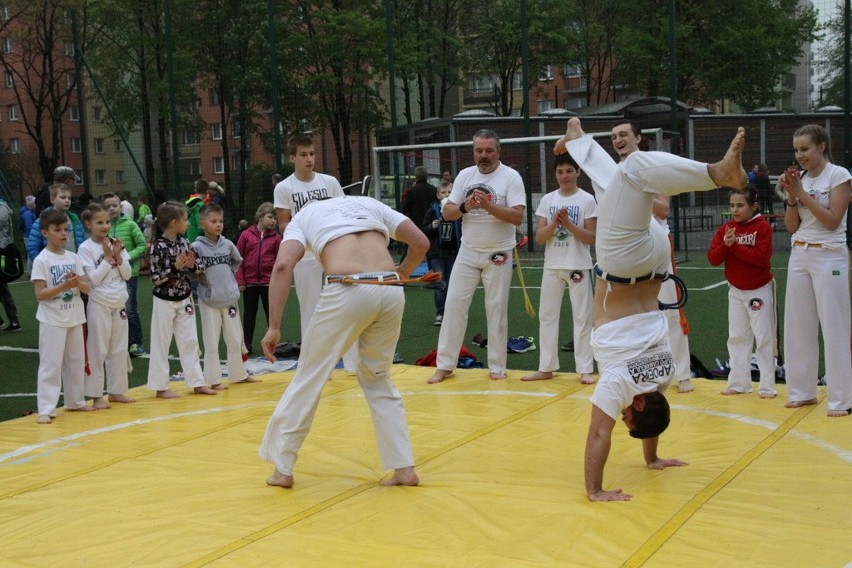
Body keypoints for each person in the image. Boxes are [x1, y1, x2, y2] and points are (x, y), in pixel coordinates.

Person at [554, 117, 748, 501]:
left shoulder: (662, 379)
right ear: (636, 403)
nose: (621, 416)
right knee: (631, 170)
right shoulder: (620, 385)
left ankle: (578, 140)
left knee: (619, 187)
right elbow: (598, 434)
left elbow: (654, 413)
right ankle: (717, 173)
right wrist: (595, 490)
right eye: (628, 416)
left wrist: (653, 457)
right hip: (622, 264)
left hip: (656, 259)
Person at [258, 195, 429, 488]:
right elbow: (422, 243)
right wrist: (403, 272)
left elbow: (283, 265)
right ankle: (404, 467)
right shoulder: (366, 202)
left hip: (348, 288)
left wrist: (273, 327)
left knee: (310, 376)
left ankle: (282, 468)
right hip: (389, 288)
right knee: (378, 378)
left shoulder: (304, 216)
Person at [427, 129, 526, 384]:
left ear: (498, 151)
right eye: (479, 150)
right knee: (454, 305)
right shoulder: (464, 175)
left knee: (496, 308)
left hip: (499, 252)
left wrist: (488, 206)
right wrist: (465, 206)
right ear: (473, 152)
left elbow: (517, 217)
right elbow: (448, 213)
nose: (484, 156)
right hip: (468, 251)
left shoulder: (510, 177)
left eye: (489, 150)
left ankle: (497, 367)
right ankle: (445, 364)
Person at [610, 121, 695, 393]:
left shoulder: (652, 167)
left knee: (669, 309)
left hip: (656, 248)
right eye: (613, 136)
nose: (618, 139)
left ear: (638, 137)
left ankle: (683, 374)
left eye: (623, 134)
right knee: (631, 316)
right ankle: (640, 373)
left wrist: (638, 193)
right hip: (627, 249)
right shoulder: (612, 172)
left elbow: (663, 209)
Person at [780, 124, 852, 417]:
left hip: (830, 256)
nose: (800, 156)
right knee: (798, 325)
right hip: (800, 253)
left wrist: (801, 193)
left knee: (834, 327)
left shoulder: (839, 175)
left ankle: (841, 399)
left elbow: (833, 220)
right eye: (797, 150)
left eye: (805, 149)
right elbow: (791, 226)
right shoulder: (801, 179)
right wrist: (792, 196)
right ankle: (802, 392)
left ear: (822, 146)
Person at [521, 152, 597, 384]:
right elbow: (541, 237)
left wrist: (569, 225)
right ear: (555, 174)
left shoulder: (587, 200)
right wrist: (556, 223)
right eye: (560, 172)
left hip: (578, 265)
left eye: (569, 171)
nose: (564, 176)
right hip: (553, 265)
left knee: (582, 317)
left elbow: (591, 237)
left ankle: (584, 368)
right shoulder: (548, 200)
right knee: (547, 316)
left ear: (578, 173)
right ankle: (546, 366)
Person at [273, 134, 345, 346]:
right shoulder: (284, 188)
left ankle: (352, 362)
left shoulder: (329, 182)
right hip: (305, 254)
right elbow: (284, 225)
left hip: (332, 249)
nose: (309, 159)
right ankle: (311, 362)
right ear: (292, 158)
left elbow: (343, 212)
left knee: (344, 301)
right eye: (303, 155)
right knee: (310, 308)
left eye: (312, 154)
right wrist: (310, 229)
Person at [708, 187, 776, 398]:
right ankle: (739, 383)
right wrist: (726, 245)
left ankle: (767, 386)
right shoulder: (726, 229)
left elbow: (761, 258)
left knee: (763, 338)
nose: (735, 210)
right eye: (732, 205)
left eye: (740, 205)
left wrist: (734, 246)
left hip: (759, 291)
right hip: (736, 291)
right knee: (737, 337)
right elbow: (713, 259)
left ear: (753, 206)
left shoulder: (762, 227)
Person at [146, 201, 217, 398]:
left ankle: (197, 382)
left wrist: (193, 266)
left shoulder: (185, 243)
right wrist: (175, 268)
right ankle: (160, 386)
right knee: (161, 342)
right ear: (174, 222)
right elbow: (155, 279)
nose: (188, 223)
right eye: (185, 219)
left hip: (184, 298)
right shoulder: (156, 246)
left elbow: (199, 269)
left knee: (190, 340)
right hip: (164, 300)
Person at [31, 209, 92, 423]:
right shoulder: (42, 260)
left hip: (75, 316)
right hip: (52, 319)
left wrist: (77, 283)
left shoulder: (73, 257)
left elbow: (87, 289)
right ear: (45, 233)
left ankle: (76, 401)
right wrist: (64, 285)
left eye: (65, 229)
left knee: (76, 361)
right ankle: (46, 409)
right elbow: (40, 294)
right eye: (58, 230)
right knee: (51, 363)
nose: (63, 233)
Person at [192, 203, 257, 388]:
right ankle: (213, 380)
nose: (218, 224)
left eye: (220, 221)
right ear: (202, 224)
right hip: (209, 299)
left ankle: (238, 374)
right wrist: (205, 282)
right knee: (211, 340)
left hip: (229, 298)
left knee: (235, 338)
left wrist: (229, 279)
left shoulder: (228, 244)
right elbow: (192, 271)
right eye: (213, 221)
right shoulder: (196, 247)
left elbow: (237, 260)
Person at [78, 203, 136, 407]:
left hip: (119, 302)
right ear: (88, 224)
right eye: (99, 222)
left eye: (107, 222)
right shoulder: (85, 248)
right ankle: (96, 396)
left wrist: (118, 256)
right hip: (99, 302)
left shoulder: (115, 242)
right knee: (97, 349)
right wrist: (108, 259)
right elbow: (93, 280)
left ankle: (117, 391)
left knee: (119, 349)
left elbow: (128, 274)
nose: (105, 226)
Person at [103, 193, 148, 357]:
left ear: (121, 207)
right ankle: (118, 342)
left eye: (114, 205)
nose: (111, 209)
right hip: (110, 274)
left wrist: (126, 259)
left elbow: (142, 245)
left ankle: (136, 342)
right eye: (107, 206)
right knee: (114, 307)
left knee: (130, 308)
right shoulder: (104, 227)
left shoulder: (130, 225)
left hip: (129, 273)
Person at [236, 203, 281, 356]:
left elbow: (279, 260)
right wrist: (240, 280)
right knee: (249, 314)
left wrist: (277, 280)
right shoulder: (246, 235)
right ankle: (246, 344)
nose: (273, 221)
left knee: (272, 314)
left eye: (275, 218)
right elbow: (238, 259)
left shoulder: (276, 238)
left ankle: (273, 343)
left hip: (269, 283)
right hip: (249, 283)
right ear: (260, 216)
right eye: (270, 217)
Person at [421, 180, 458, 326]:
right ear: (437, 195)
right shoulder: (432, 210)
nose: (446, 195)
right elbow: (423, 229)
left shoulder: (458, 210)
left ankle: (451, 312)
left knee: (452, 283)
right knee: (439, 281)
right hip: (437, 254)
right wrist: (431, 226)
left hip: (454, 252)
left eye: (449, 192)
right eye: (443, 192)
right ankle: (440, 312)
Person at [27, 183, 86, 260]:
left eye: (69, 198)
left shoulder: (74, 219)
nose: (67, 201)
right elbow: (32, 247)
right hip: (52, 266)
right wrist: (44, 263)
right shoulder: (42, 220)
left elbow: (82, 242)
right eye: (63, 197)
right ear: (53, 200)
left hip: (73, 264)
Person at [0, 196, 21, 332]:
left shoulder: (2, 208)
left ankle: (13, 321)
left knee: (2, 289)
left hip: (1, 251)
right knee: (2, 290)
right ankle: (13, 321)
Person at [401, 165, 437, 234]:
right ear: (426, 176)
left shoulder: (412, 191)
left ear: (416, 177)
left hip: (416, 223)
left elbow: (405, 208)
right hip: (431, 223)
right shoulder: (434, 189)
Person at [18, 195, 37, 278]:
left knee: (30, 253)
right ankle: (30, 272)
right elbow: (29, 226)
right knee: (31, 253)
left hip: (28, 235)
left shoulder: (26, 212)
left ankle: (31, 271)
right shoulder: (28, 213)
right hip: (29, 235)